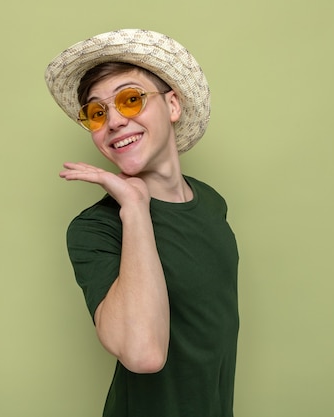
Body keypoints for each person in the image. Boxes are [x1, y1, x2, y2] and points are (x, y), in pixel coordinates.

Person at [45, 29, 239, 417]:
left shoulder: (212, 203)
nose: (113, 121)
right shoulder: (94, 230)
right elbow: (144, 354)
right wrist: (134, 206)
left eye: (131, 100)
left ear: (172, 106)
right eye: (97, 113)